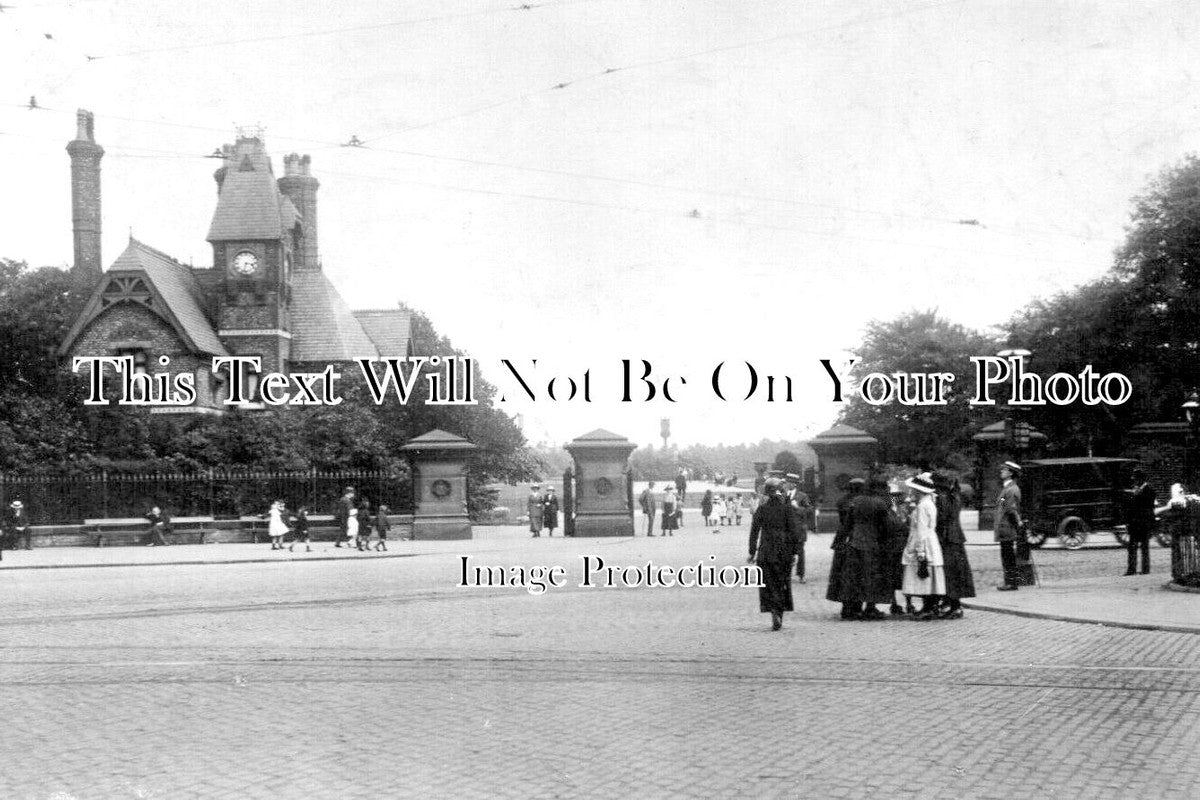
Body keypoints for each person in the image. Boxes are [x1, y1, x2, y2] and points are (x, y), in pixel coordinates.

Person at [827, 477, 891, 620]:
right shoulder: (880, 503)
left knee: (853, 577)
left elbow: (846, 525)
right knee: (871, 577)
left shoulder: (854, 502)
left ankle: (849, 609)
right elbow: (886, 526)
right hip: (873, 543)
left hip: (854, 542)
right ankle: (870, 608)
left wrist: (838, 542)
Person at [748, 478, 800, 631]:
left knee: (768, 582)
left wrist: (752, 552)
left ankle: (772, 610)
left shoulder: (762, 509)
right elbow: (794, 532)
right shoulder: (787, 509)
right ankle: (779, 611)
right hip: (784, 551)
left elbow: (754, 532)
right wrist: (795, 551)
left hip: (766, 550)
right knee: (782, 582)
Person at [901, 473, 945, 619]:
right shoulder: (930, 503)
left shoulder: (922, 506)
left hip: (923, 542)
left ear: (919, 491)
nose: (911, 492)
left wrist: (920, 551)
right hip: (931, 541)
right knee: (929, 575)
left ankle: (927, 607)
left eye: (913, 489)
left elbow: (921, 531)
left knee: (923, 574)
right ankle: (931, 606)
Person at [933, 472, 974, 619]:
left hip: (947, 539)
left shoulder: (942, 499)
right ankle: (951, 604)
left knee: (949, 573)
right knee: (955, 573)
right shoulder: (955, 496)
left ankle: (952, 605)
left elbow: (941, 520)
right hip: (956, 537)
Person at [826, 478, 863, 618]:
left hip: (843, 539)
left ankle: (846, 606)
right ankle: (856, 607)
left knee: (843, 575)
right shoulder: (860, 502)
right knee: (857, 575)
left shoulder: (842, 501)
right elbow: (887, 503)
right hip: (856, 539)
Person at [994, 461, 1023, 591]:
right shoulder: (1007, 489)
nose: (1001, 471)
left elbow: (1011, 509)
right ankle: (1010, 582)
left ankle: (1011, 583)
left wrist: (1016, 523)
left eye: (1004, 470)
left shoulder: (1010, 489)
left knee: (1008, 556)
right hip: (1005, 527)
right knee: (1007, 555)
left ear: (1011, 473)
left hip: (1007, 527)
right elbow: (1003, 504)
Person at [1124, 468, 1156, 575]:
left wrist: (1137, 495)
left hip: (1144, 523)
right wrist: (1128, 522)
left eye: (1137, 479)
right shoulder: (1135, 490)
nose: (1135, 482)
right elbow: (1130, 507)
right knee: (1132, 547)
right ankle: (1131, 569)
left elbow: (1148, 506)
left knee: (1144, 547)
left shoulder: (1149, 489)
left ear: (1141, 479)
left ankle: (1145, 569)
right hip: (1134, 523)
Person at [785, 474, 813, 583]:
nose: (787, 484)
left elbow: (810, 510)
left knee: (800, 553)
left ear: (794, 484)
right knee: (786, 553)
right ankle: (786, 575)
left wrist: (798, 507)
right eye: (787, 482)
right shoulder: (783, 495)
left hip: (798, 530)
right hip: (786, 530)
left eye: (790, 482)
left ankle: (801, 575)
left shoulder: (802, 496)